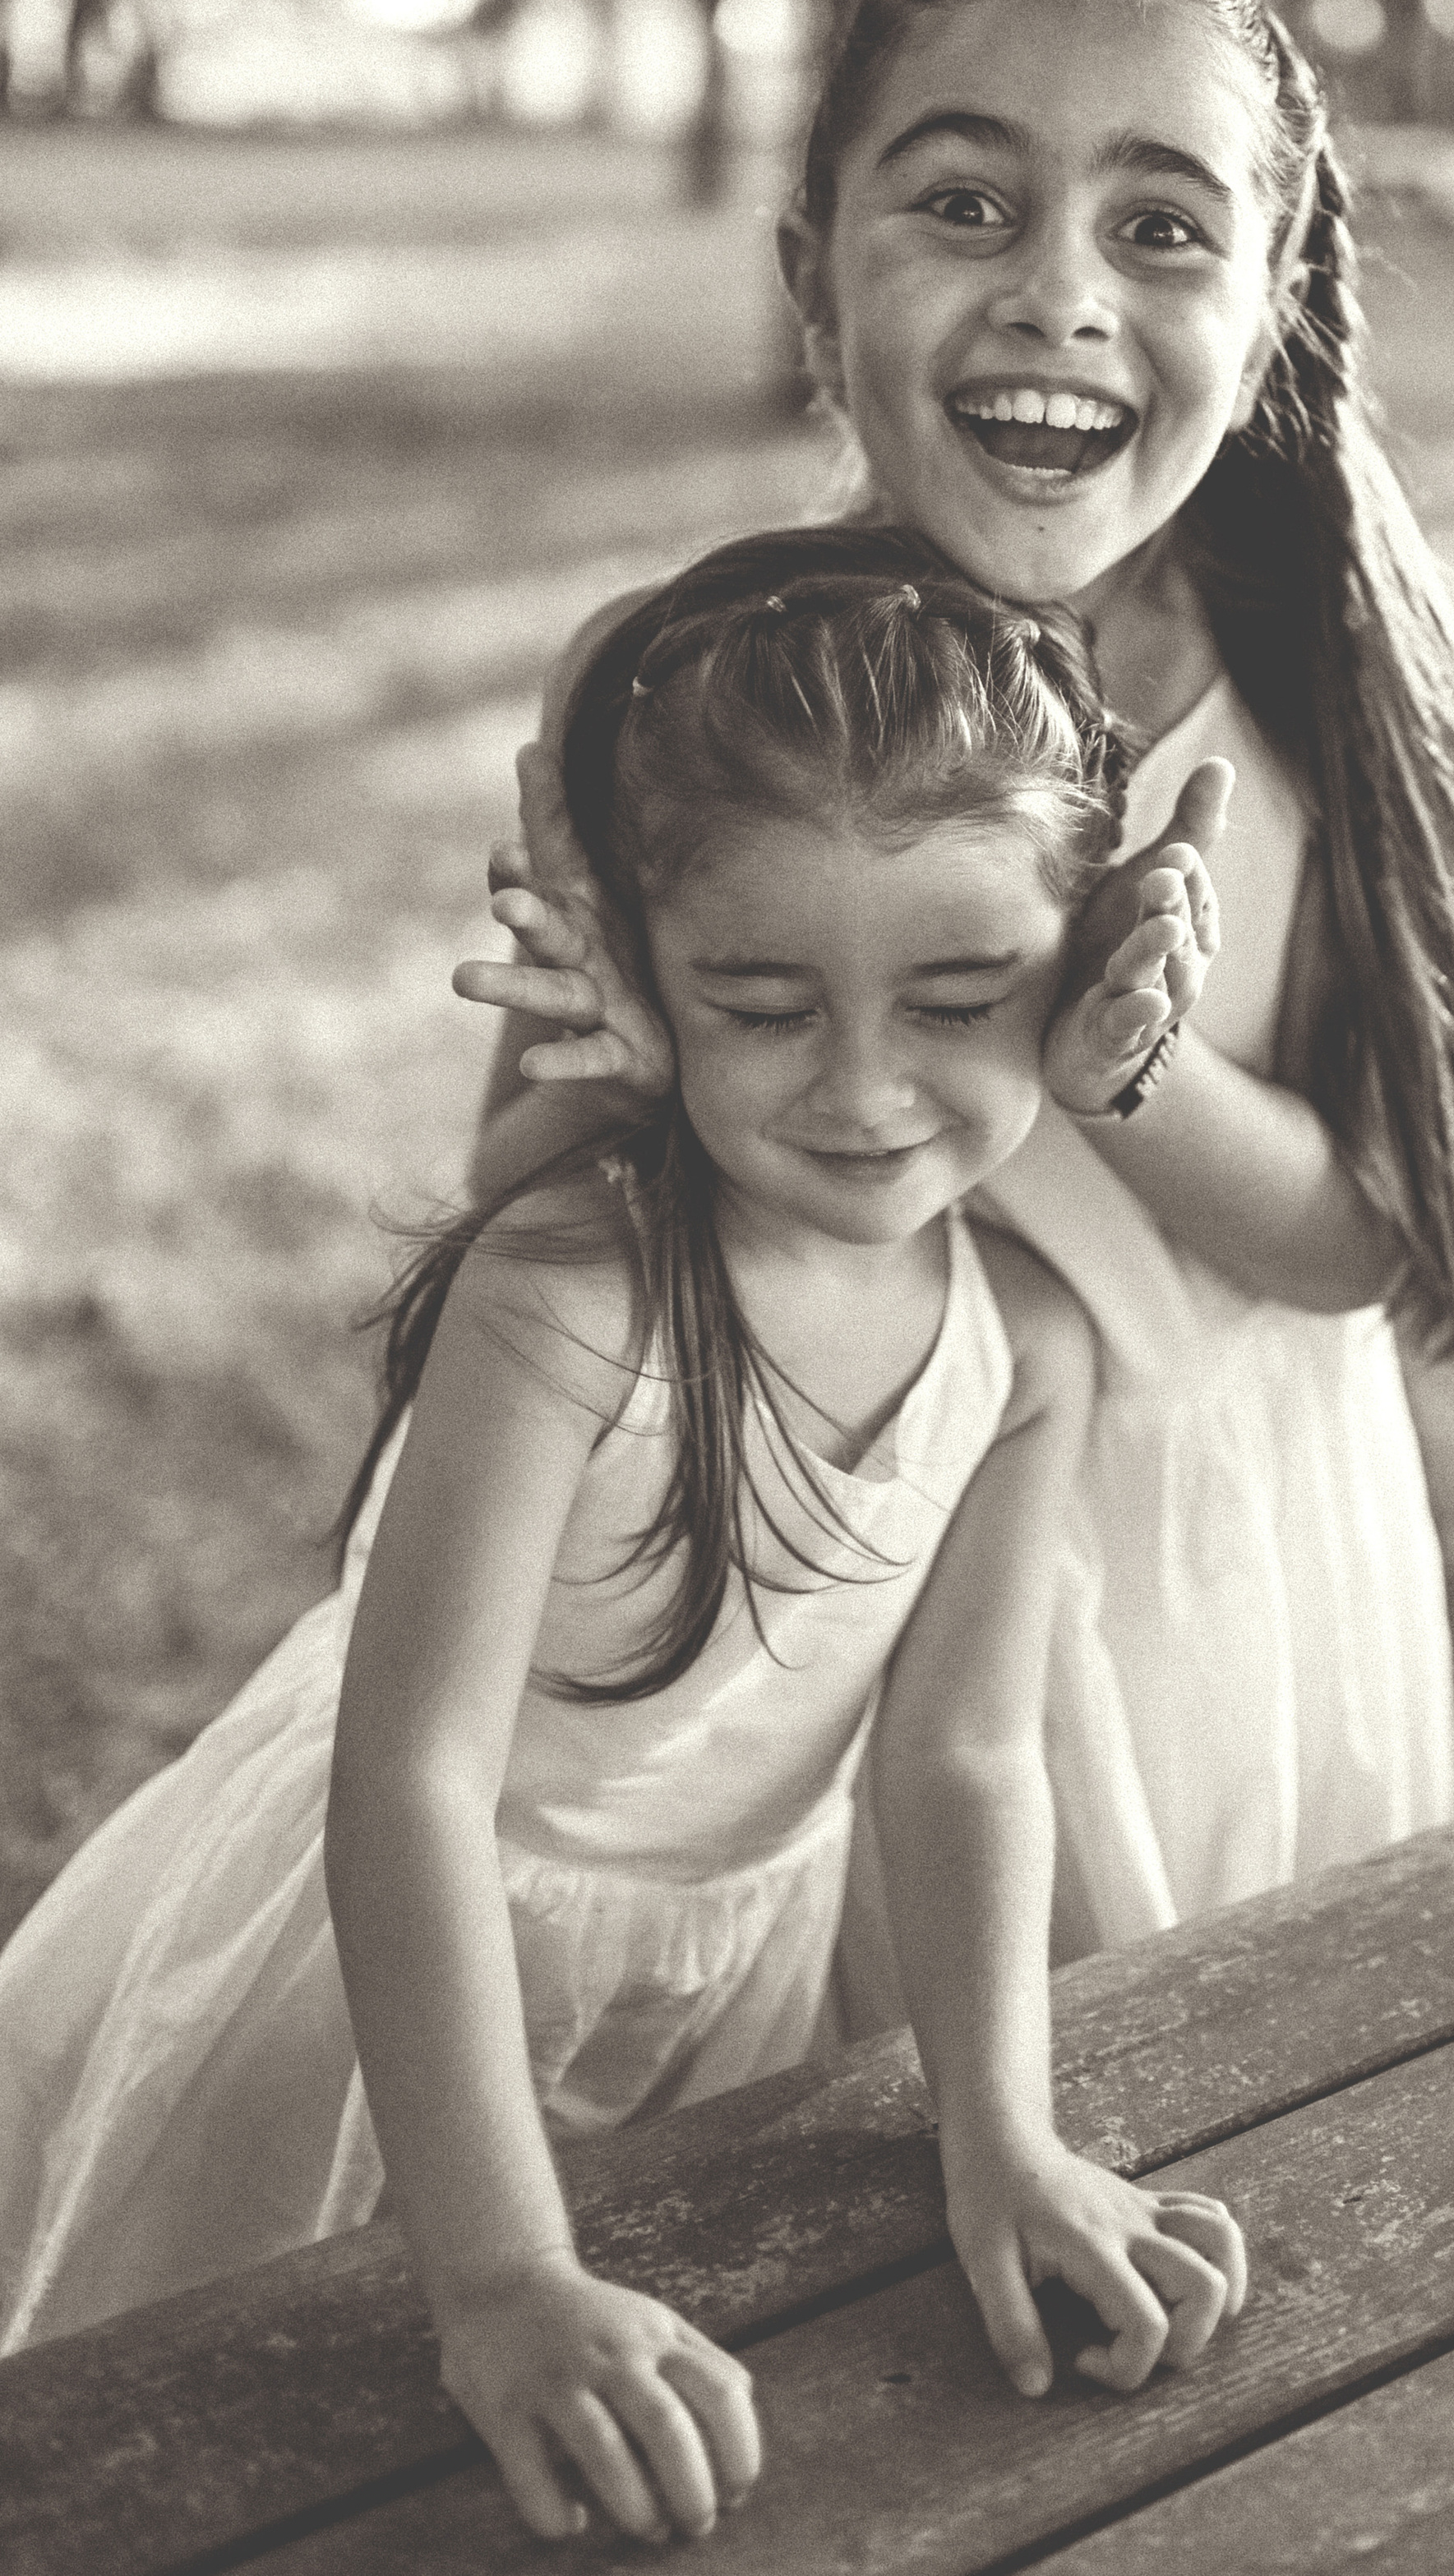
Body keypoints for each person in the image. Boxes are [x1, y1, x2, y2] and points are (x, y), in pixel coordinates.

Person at [0, 532, 1248, 2543]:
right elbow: (408, 1777)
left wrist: (997, 2135)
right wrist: (495, 2279)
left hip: (717, 1976)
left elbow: (960, 1754)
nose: (859, 1091)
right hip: (366, 1979)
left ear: (1090, 967)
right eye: (760, 1002)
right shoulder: (565, 1292)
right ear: (650, 984)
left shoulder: (1022, 1348)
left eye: (957, 997)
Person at [463, 0, 1454, 1986]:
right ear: (808, 266)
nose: (1057, 299)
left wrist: (1110, 1055)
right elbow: (506, 1198)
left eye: (1158, 227)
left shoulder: (1325, 684)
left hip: (1189, 1578)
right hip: (795, 1561)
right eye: (964, 205)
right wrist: (647, 1082)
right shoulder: (678, 685)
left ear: (1278, 281)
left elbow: (1359, 1242)